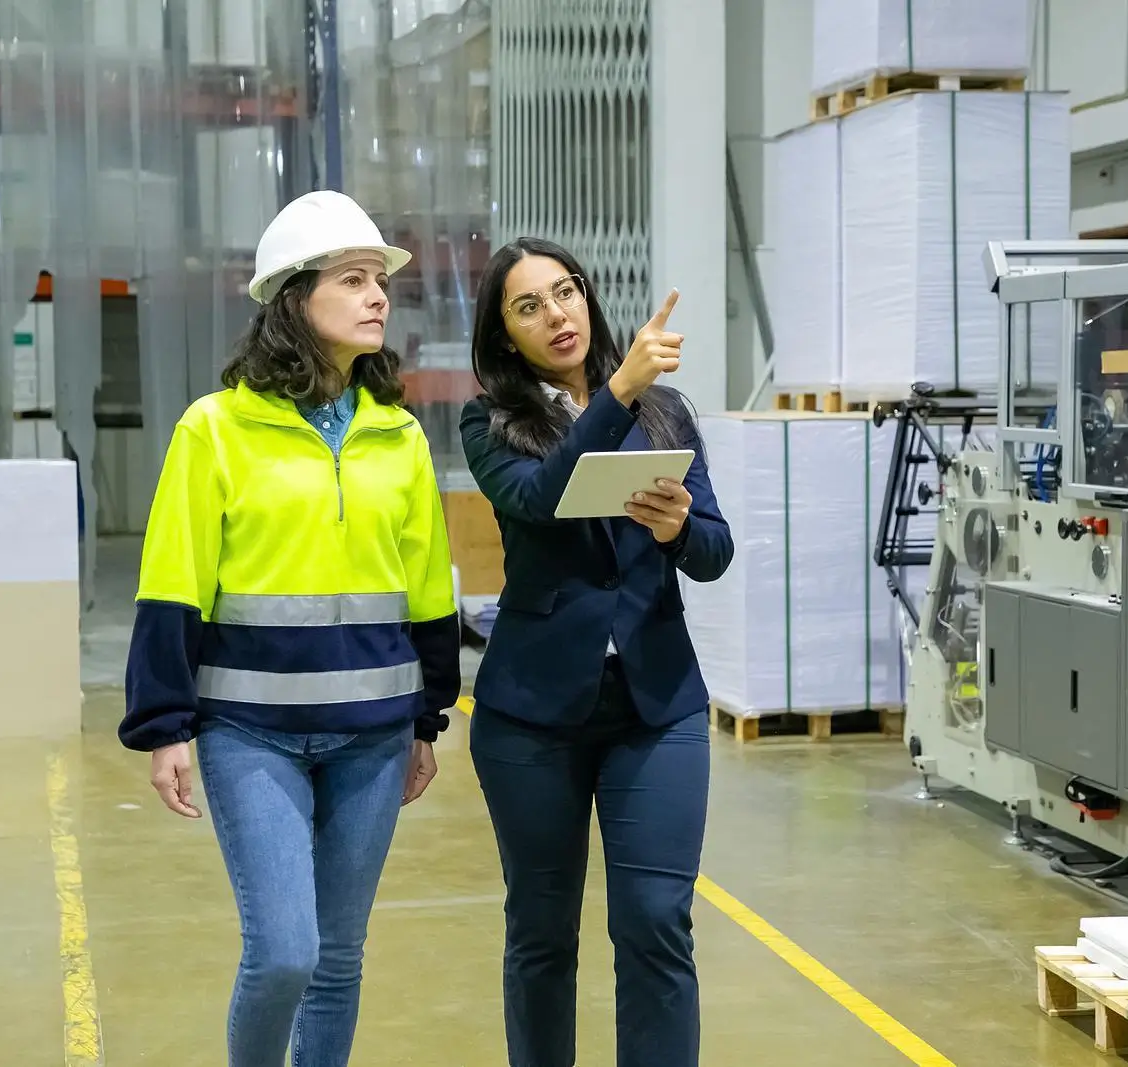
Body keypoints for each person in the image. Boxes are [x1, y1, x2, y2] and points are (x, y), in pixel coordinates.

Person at [118, 190, 461, 1067]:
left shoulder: (399, 436)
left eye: (380, 280)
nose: (379, 295)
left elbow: (426, 589)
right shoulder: (217, 429)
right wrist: (164, 726)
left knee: (339, 959)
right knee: (285, 953)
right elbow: (173, 579)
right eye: (354, 279)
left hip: (375, 737)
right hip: (248, 731)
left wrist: (427, 719)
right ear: (294, 301)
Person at [459, 236, 734, 1067]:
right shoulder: (492, 421)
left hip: (656, 706)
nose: (557, 313)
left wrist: (680, 525)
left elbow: (715, 551)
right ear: (506, 334)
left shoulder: (667, 410)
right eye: (529, 305)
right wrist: (618, 389)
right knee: (542, 931)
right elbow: (540, 501)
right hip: (532, 716)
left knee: (655, 920)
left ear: (588, 297)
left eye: (566, 291)